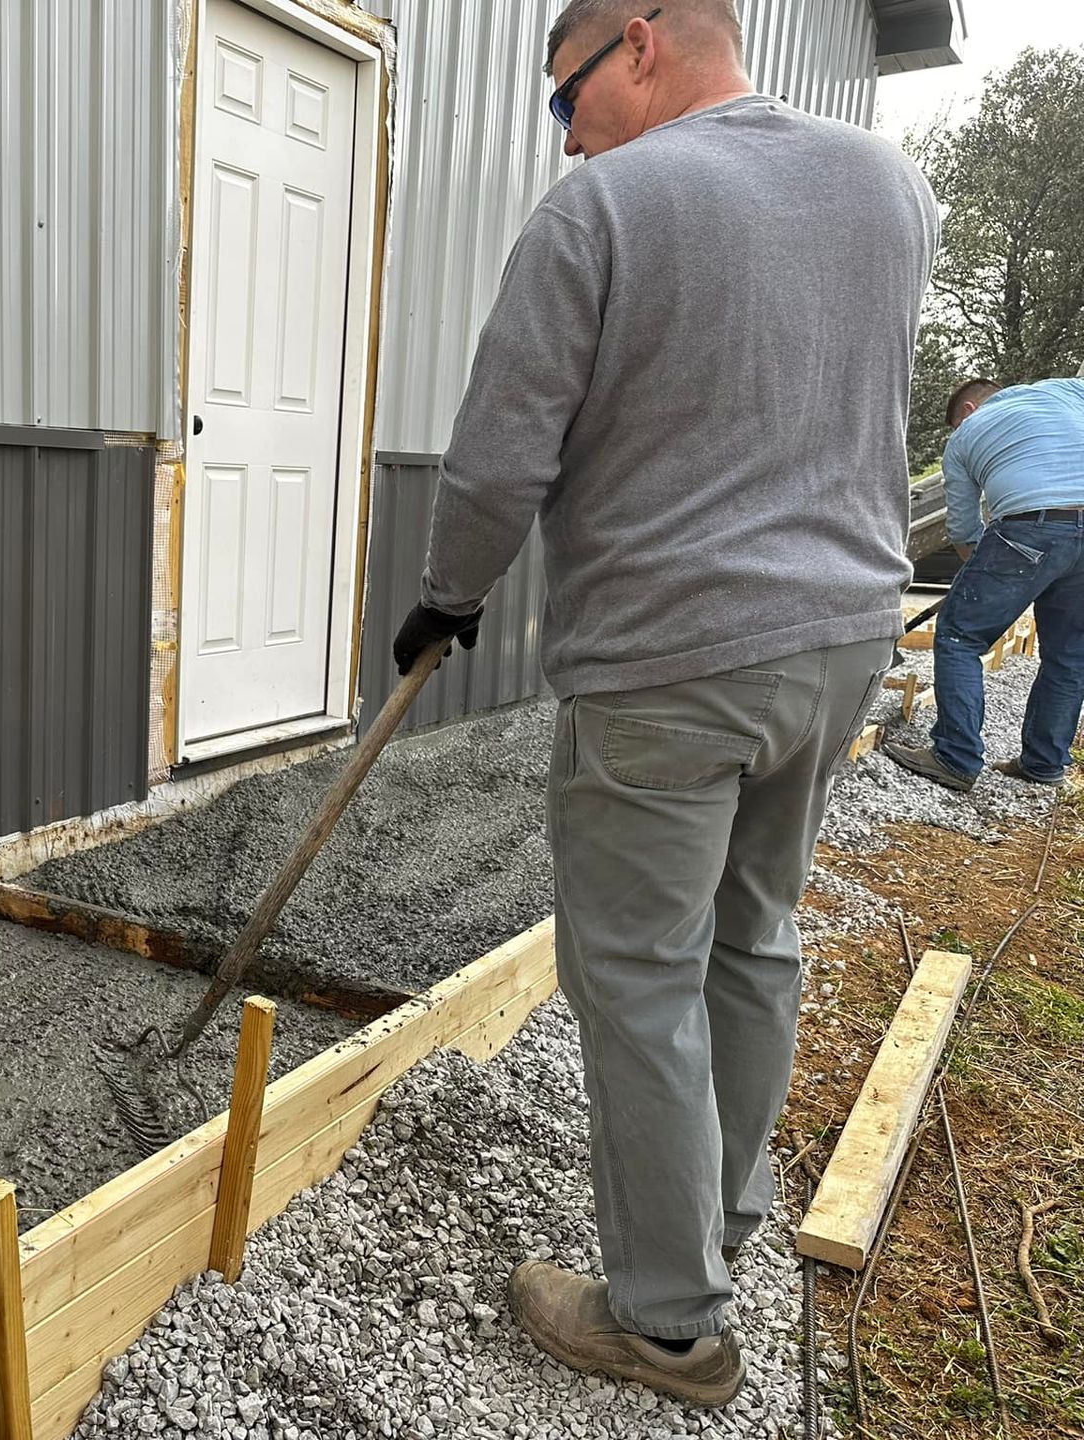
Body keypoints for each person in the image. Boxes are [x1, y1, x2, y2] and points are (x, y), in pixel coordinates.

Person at [391, 0, 936, 1407]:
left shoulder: (609, 209)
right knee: (752, 936)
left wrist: (451, 594)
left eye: (562, 96)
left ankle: (670, 1323)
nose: (563, 135)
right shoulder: (887, 184)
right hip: (840, 640)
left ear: (638, 41)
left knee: (633, 975)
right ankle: (721, 1218)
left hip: (671, 662)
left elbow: (503, 456)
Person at [886, 376, 1084, 790]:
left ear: (969, 411)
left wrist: (982, 571)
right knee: (1069, 655)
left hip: (1029, 525)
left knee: (960, 638)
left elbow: (963, 527)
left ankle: (955, 757)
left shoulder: (963, 439)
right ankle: (1044, 764)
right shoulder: (1064, 390)